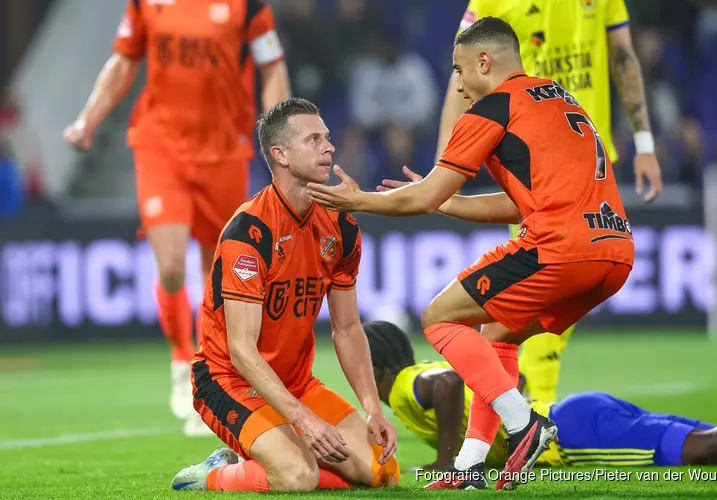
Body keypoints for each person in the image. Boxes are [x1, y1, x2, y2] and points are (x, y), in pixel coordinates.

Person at [306, 18, 634, 490]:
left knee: (440, 316)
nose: (458, 85)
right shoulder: (561, 99)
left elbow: (421, 198)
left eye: (460, 71)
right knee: (496, 334)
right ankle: (470, 466)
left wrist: (355, 200)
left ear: (485, 62)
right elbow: (524, 200)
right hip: (614, 252)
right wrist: (450, 202)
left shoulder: (494, 107)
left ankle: (524, 424)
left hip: (561, 246)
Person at [63, 0, 291, 435]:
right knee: (169, 264)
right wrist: (87, 121)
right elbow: (123, 60)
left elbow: (273, 66)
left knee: (217, 273)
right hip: (160, 143)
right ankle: (180, 358)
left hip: (225, 149)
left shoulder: (247, 6)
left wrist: (277, 136)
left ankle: (211, 376)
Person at [430, 0, 663, 411]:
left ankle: (524, 421)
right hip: (536, 159)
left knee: (509, 311)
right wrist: (445, 168)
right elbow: (463, 72)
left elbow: (623, 56)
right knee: (514, 316)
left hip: (581, 159)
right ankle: (521, 422)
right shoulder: (491, 5)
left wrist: (644, 143)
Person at [169, 98, 400, 492]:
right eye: (313, 139)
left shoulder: (341, 225)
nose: (328, 147)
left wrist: (372, 409)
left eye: (327, 138)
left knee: (382, 473)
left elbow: (347, 329)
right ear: (281, 155)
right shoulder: (249, 233)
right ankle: (212, 473)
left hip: (294, 382)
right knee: (297, 478)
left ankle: (279, 455)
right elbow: (242, 350)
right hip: (229, 380)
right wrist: (304, 420)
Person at [363, 320, 717, 490]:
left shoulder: (401, 386)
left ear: (375, 367)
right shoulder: (434, 365)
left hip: (571, 436)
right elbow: (517, 380)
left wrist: (448, 460)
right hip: (572, 412)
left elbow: (447, 385)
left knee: (712, 447)